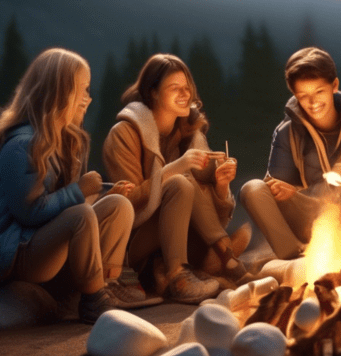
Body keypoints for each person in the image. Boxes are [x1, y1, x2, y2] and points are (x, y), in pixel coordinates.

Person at [0, 48, 136, 324]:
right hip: (13, 254)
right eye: (81, 90)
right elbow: (31, 212)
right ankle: (94, 302)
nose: (89, 98)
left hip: (35, 244)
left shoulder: (65, 140)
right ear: (58, 93)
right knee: (81, 215)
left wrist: (93, 197)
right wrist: (79, 191)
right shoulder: (22, 145)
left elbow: (58, 209)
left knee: (118, 205)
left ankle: (103, 285)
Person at [103, 53, 247, 304]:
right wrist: (175, 168)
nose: (185, 95)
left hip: (179, 241)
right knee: (182, 180)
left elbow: (217, 216)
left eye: (187, 88)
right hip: (135, 242)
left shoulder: (189, 134)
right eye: (174, 88)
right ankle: (190, 272)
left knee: (191, 180)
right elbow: (127, 204)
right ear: (153, 93)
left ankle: (198, 263)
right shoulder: (124, 135)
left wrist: (222, 186)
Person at [240, 47, 341, 263]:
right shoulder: (287, 133)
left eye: (319, 91)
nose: (313, 102)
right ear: (295, 95)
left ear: (335, 86)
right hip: (309, 218)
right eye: (304, 95)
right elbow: (274, 189)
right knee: (252, 189)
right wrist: (288, 191)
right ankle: (296, 260)